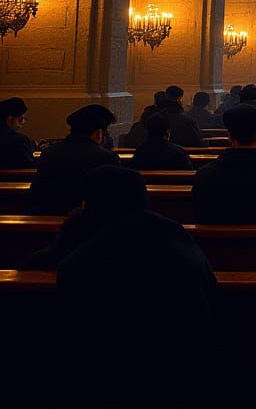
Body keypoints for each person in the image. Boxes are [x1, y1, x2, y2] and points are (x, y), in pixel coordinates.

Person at [33, 166, 223, 409]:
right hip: (182, 381)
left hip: (97, 387)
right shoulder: (178, 246)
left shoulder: (78, 262)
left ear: (88, 207)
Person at [28, 104, 119, 213]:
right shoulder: (106, 157)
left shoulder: (49, 153)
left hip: (47, 212)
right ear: (99, 133)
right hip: (89, 218)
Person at [129, 113, 194, 170]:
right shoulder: (178, 151)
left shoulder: (140, 151)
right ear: (168, 132)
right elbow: (189, 171)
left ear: (148, 131)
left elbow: (133, 170)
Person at [0, 95, 35, 168]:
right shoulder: (18, 140)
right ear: (10, 119)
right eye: (20, 119)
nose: (23, 122)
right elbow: (28, 165)